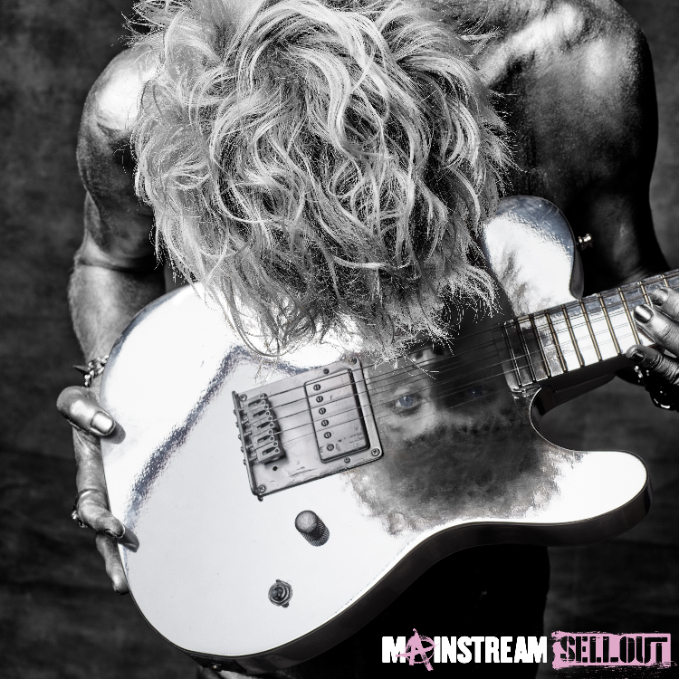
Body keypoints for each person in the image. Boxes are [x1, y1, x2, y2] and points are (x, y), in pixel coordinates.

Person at [57, 0, 679, 676]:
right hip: (257, 565)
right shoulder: (145, 96)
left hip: (475, 568)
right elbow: (111, 260)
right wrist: (118, 412)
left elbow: (633, 283)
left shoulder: (575, 62)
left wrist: (668, 358)